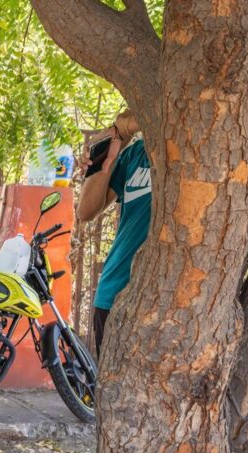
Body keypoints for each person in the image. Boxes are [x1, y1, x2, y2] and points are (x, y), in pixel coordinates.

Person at [77, 109, 152, 361]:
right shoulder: (134, 154)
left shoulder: (201, 154)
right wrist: (108, 148)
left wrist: (128, 124)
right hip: (115, 291)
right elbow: (86, 210)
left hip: (166, 298)